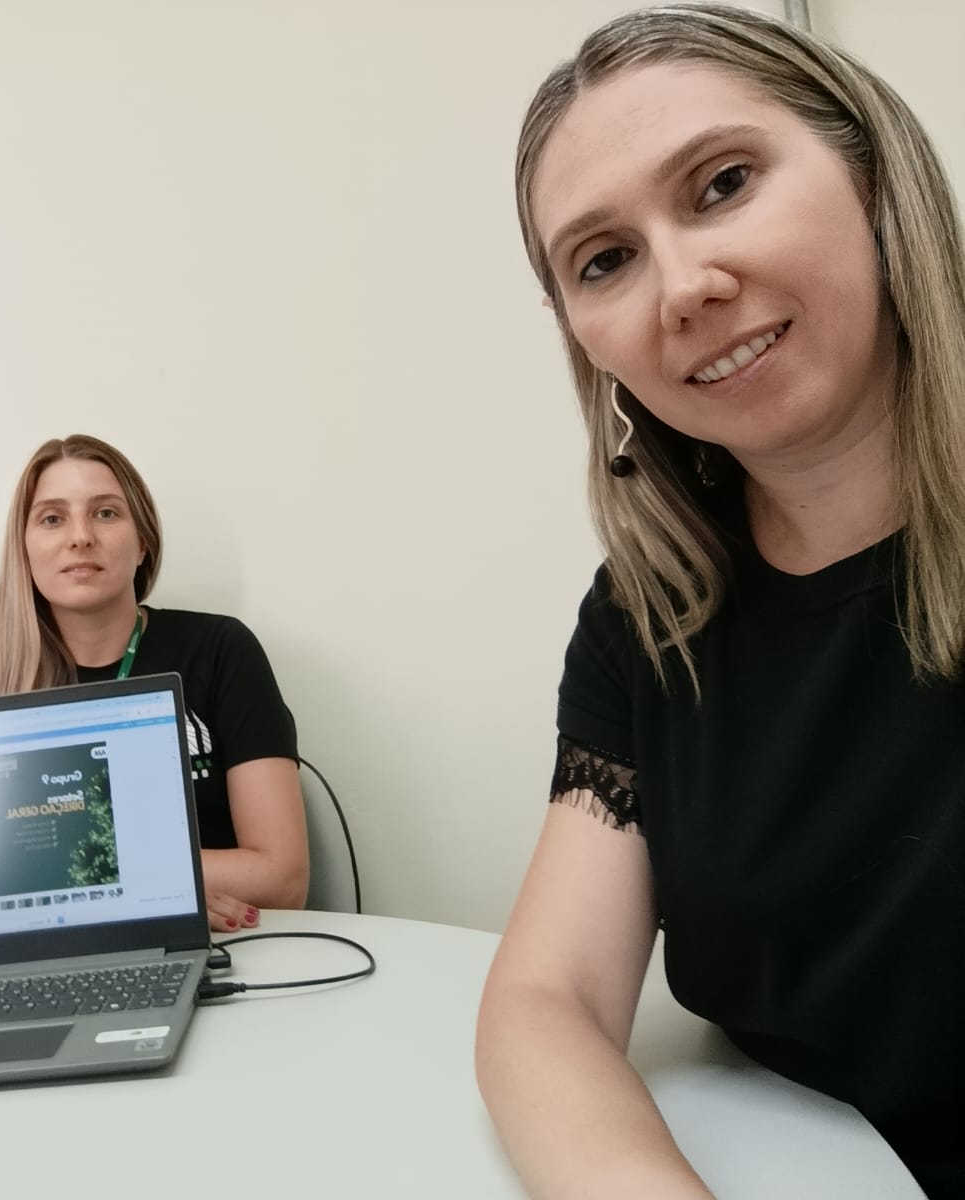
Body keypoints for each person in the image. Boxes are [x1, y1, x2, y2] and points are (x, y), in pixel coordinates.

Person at [475, 5, 965, 1197]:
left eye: (724, 184)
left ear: (870, 174)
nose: (684, 288)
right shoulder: (648, 618)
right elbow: (546, 998)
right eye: (605, 260)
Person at [0, 434, 308, 931]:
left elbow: (283, 878)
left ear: (143, 542)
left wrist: (88, 879)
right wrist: (163, 886)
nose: (80, 536)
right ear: (24, 550)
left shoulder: (220, 650)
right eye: (52, 518)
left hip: (230, 948)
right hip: (71, 951)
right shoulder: (0, 680)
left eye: (106, 513)